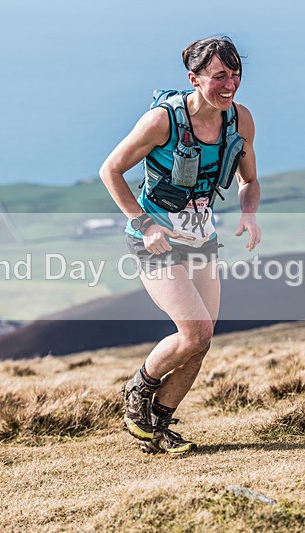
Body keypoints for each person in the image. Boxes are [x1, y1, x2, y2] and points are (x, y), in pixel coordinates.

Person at [99, 36, 261, 455]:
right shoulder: (162, 121)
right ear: (194, 78)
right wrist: (144, 223)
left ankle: (158, 426)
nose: (230, 84)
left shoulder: (239, 120)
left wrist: (249, 212)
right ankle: (137, 394)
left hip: (202, 239)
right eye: (219, 76)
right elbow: (110, 170)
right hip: (156, 242)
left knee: (202, 342)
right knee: (195, 331)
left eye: (235, 74)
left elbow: (250, 180)